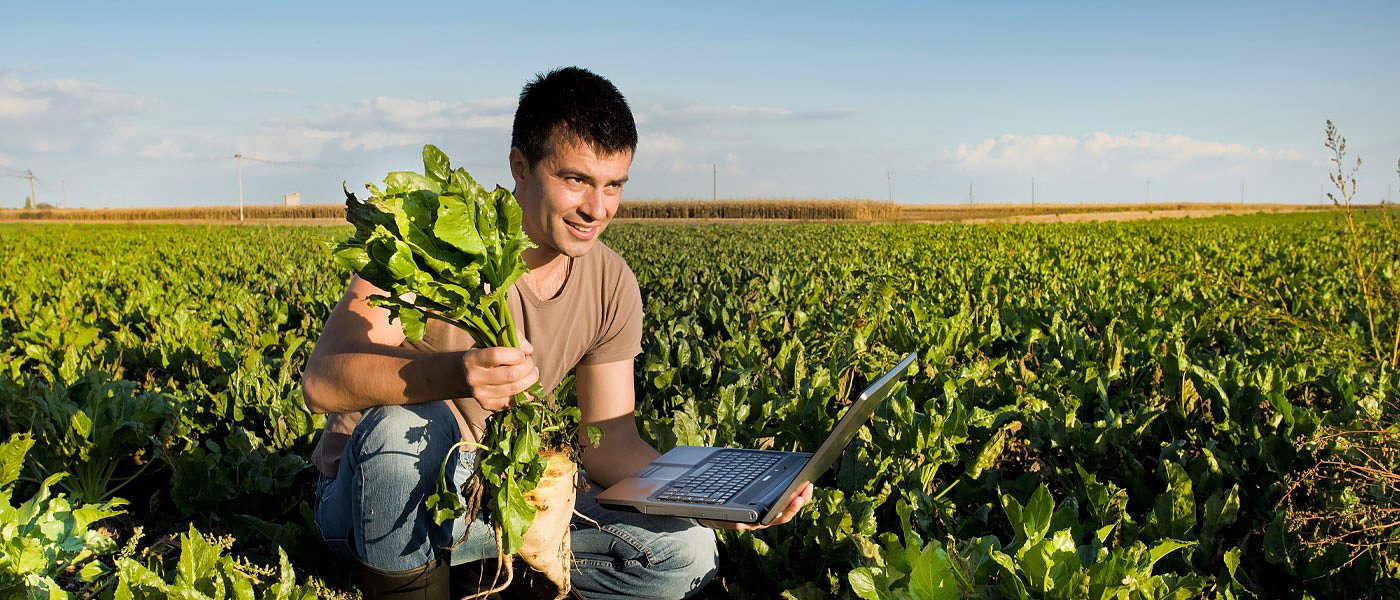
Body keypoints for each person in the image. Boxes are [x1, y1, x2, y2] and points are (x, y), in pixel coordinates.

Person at [301, 66, 813, 600]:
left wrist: (715, 501)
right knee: (403, 427)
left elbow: (610, 442)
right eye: (576, 180)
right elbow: (322, 382)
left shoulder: (610, 280)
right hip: (375, 501)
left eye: (613, 185)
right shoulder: (432, 246)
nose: (597, 209)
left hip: (499, 499)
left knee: (683, 554)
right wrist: (456, 375)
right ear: (520, 167)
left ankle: (476, 573)